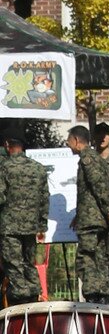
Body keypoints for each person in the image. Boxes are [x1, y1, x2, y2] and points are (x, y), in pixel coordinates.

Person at [0, 128, 49, 305]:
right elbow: (45, 199)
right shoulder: (38, 168)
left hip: (10, 227)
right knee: (29, 263)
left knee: (13, 264)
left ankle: (22, 299)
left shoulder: (4, 168)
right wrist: (42, 225)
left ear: (7, 145)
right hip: (31, 227)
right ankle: (34, 294)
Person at [73, 123, 109, 303]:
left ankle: (94, 295)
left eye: (69, 140)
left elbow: (99, 186)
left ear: (77, 141)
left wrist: (107, 209)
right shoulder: (93, 157)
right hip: (94, 217)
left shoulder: (88, 158)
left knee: (87, 257)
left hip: (92, 220)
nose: (69, 144)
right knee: (98, 257)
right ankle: (102, 294)